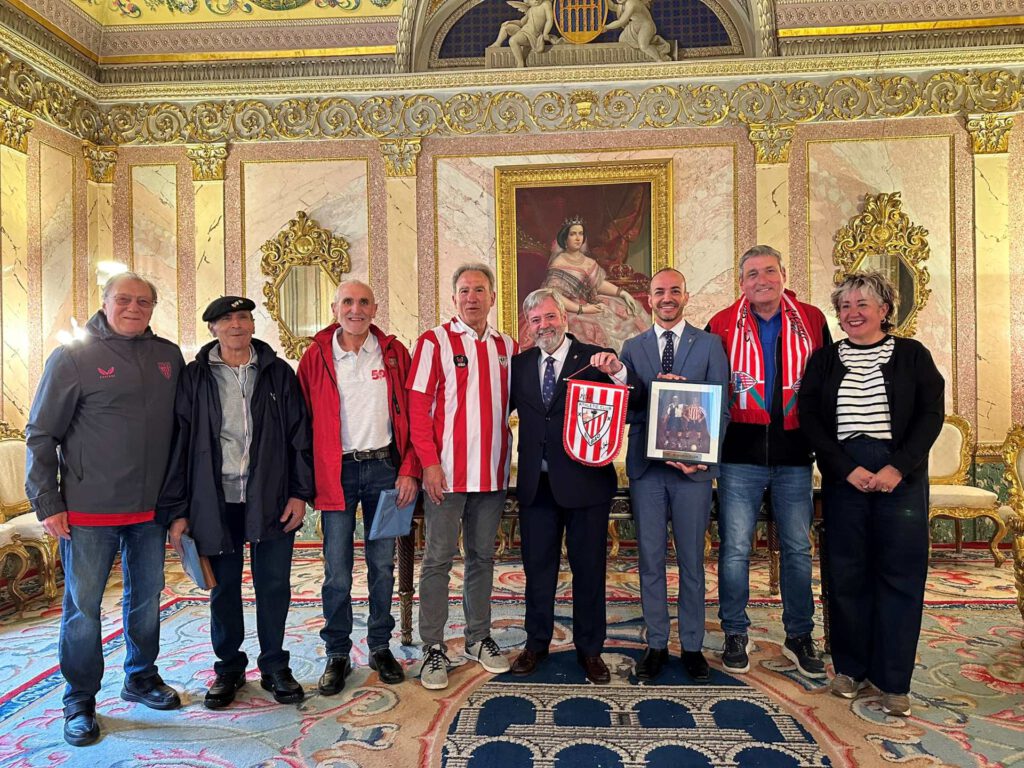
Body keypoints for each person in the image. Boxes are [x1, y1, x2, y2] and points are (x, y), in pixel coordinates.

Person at [25, 272, 185, 746]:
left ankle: (140, 677)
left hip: (150, 511)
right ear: (105, 302)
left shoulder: (168, 357)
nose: (133, 307)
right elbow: (41, 434)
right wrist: (47, 501)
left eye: (143, 301)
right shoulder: (73, 357)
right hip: (88, 512)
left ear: (153, 307)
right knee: (83, 609)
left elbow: (182, 433)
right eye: (124, 299)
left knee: (147, 599)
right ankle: (80, 699)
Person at [798, 271, 943, 717]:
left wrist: (898, 467)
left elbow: (930, 415)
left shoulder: (913, 356)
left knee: (900, 576)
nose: (853, 313)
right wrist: (847, 469)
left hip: (902, 475)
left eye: (863, 304)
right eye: (844, 306)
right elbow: (810, 419)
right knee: (846, 575)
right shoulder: (823, 360)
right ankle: (850, 669)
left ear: (884, 310)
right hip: (846, 474)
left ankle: (894, 681)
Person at [161, 296, 313, 708]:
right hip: (214, 500)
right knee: (223, 588)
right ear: (212, 328)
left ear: (251, 324)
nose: (236, 325)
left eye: (243, 317)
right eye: (226, 319)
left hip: (272, 496)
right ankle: (228, 668)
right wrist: (177, 511)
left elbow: (301, 437)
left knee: (274, 585)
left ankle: (275, 666)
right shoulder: (194, 378)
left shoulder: (279, 373)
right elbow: (178, 443)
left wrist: (301, 493)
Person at [707, 245, 831, 679]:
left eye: (770, 271)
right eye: (753, 274)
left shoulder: (812, 319)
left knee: (797, 549)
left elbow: (825, 384)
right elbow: (708, 390)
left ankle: (799, 635)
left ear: (783, 274)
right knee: (736, 549)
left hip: (795, 454)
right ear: (741, 282)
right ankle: (735, 632)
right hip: (738, 455)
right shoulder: (721, 323)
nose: (762, 280)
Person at [297, 280, 420, 695]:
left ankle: (380, 646)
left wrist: (410, 469)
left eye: (363, 302)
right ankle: (337, 652)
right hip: (337, 474)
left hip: (387, 471)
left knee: (382, 565)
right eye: (347, 302)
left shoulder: (393, 354)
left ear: (375, 308)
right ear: (335, 308)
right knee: (336, 569)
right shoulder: (315, 357)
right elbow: (301, 423)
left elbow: (414, 415)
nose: (355, 309)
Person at [508, 289, 638, 683]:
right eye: (536, 321)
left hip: (586, 485)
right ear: (528, 327)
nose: (544, 325)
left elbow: (633, 401)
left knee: (589, 570)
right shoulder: (519, 364)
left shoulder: (596, 358)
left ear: (564, 317)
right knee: (538, 570)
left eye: (550, 317)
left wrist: (618, 371)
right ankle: (536, 643)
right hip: (536, 486)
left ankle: (590, 649)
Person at [407, 263, 517, 690]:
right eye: (465, 290)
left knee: (482, 559)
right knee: (437, 560)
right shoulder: (433, 342)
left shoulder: (507, 346)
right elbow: (418, 409)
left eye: (480, 290)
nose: (472, 297)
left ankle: (477, 636)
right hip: (446, 476)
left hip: (491, 474)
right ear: (453, 298)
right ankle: (433, 645)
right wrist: (429, 464)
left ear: (493, 297)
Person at [619, 267, 729, 682]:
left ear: (686, 296)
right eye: (659, 292)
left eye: (674, 291)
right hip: (648, 471)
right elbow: (627, 410)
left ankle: (694, 646)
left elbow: (723, 408)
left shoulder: (710, 345)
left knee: (691, 562)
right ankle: (657, 643)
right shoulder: (633, 347)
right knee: (649, 559)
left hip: (692, 473)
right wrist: (656, 395)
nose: (667, 298)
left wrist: (702, 457)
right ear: (649, 299)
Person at [539, 216, 648, 351]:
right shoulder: (559, 263)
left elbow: (598, 284)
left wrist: (622, 293)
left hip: (592, 303)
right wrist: (583, 309)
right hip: (571, 310)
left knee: (627, 316)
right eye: (573, 234)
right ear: (565, 238)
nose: (578, 238)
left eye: (581, 234)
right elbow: (555, 296)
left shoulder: (588, 262)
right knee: (593, 332)